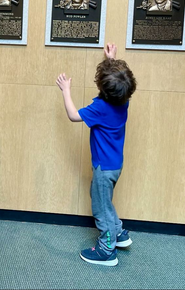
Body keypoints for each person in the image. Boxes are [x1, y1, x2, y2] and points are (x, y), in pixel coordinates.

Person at [56, 43, 137, 266]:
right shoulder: (123, 101)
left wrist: (66, 91)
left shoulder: (100, 108)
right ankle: (119, 233)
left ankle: (106, 249)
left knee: (100, 206)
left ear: (102, 88)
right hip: (115, 164)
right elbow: (116, 85)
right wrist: (111, 59)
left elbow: (73, 115)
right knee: (104, 199)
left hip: (103, 167)